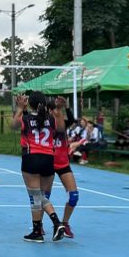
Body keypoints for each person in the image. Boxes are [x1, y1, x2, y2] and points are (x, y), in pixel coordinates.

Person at [12, 92, 66, 243]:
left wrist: (20, 108)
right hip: (49, 159)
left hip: (31, 157)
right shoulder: (51, 118)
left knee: (36, 196)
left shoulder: (26, 118)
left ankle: (56, 222)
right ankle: (37, 231)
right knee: (40, 197)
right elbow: (61, 129)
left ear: (30, 104)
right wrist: (59, 110)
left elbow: (13, 125)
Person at [45, 98, 79, 239]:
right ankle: (39, 226)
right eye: (53, 109)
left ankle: (65, 224)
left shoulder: (62, 122)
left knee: (74, 196)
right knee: (44, 198)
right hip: (48, 163)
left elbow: (72, 120)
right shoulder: (45, 124)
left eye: (57, 109)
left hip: (63, 163)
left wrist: (66, 107)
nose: (56, 112)